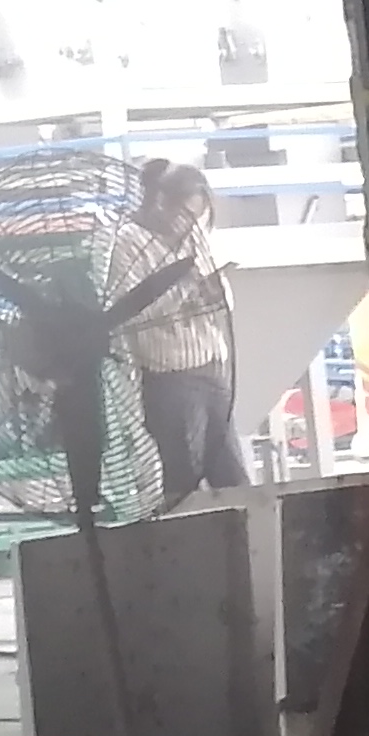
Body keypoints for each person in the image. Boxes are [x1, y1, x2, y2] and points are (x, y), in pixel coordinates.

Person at [113, 155, 243, 502]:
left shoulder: (195, 238)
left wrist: (215, 291)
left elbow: (223, 299)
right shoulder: (127, 243)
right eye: (185, 215)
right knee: (184, 479)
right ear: (162, 203)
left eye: (198, 216)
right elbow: (133, 312)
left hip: (212, 370)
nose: (190, 225)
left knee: (233, 476)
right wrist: (185, 288)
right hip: (171, 378)